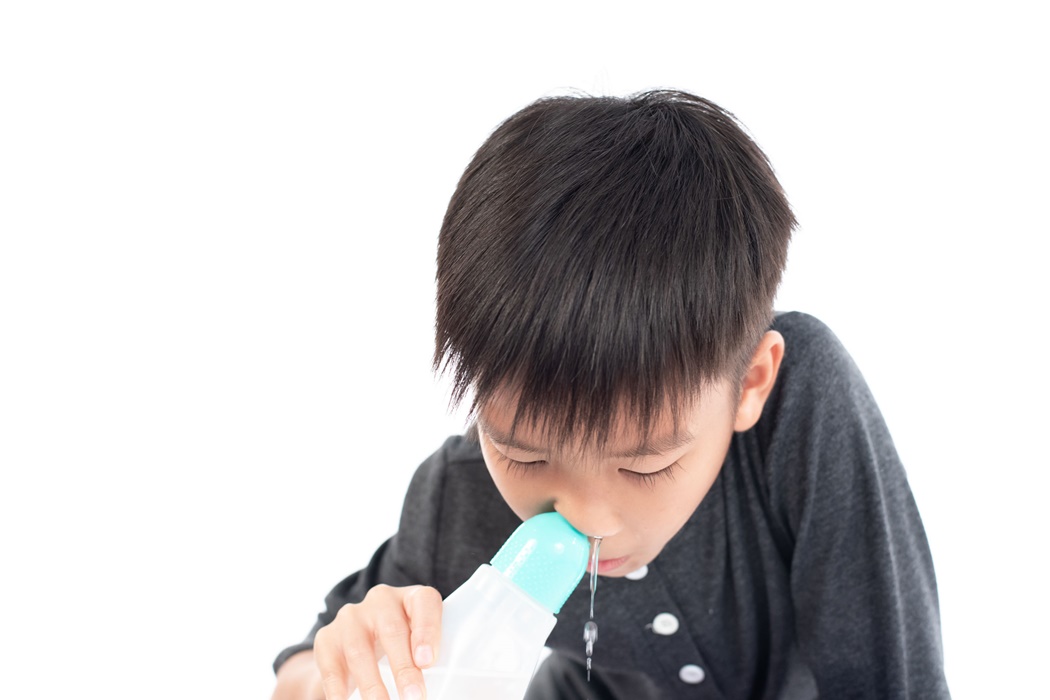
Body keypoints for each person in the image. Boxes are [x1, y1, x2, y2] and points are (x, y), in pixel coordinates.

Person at [270, 90, 950, 699]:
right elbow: (301, 671)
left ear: (750, 383)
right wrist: (337, 674)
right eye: (524, 455)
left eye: (645, 464)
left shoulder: (800, 410)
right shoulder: (461, 496)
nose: (588, 520)